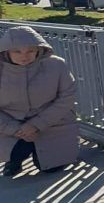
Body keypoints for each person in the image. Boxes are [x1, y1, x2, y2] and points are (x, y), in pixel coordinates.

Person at [1, 26, 79, 177]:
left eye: (30, 50)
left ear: (38, 49)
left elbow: (68, 96)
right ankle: (14, 159)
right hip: (10, 127)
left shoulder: (56, 65)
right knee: (15, 153)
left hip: (51, 124)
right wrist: (16, 129)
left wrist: (36, 124)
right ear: (6, 51)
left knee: (50, 168)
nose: (24, 56)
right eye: (17, 51)